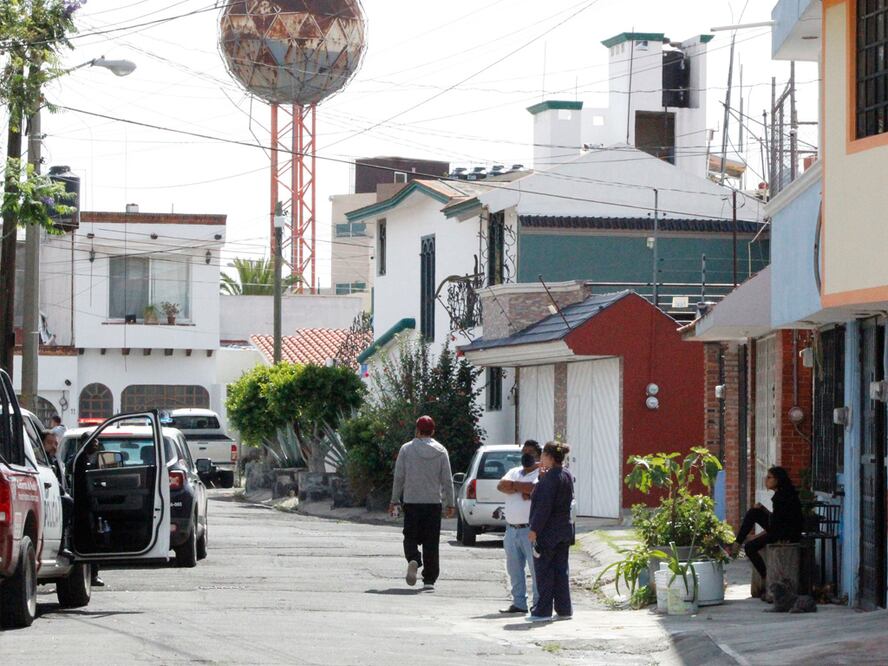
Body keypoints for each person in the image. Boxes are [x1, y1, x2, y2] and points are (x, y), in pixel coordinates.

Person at [389, 416, 456, 591]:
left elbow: (399, 477)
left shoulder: (406, 450)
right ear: (432, 431)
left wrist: (394, 500)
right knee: (431, 542)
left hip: (411, 502)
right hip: (433, 503)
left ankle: (413, 558)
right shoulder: (441, 451)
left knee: (410, 536)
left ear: (417, 431)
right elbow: (447, 480)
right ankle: (429, 580)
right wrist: (451, 503)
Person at [732, 466, 803, 590]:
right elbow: (776, 521)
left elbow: (776, 528)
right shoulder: (783, 493)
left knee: (750, 547)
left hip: (786, 535)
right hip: (781, 529)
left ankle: (766, 577)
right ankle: (738, 542)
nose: (766, 480)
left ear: (778, 480)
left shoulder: (782, 497)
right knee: (754, 511)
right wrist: (763, 510)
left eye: (769, 477)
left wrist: (756, 537)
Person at [527, 442, 574, 622]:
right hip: (564, 530)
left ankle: (543, 610)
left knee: (545, 570)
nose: (540, 459)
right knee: (561, 571)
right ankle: (564, 608)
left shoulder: (549, 479)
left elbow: (543, 507)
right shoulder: (566, 474)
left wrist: (534, 530)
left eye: (543, 456)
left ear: (549, 457)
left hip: (548, 532)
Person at [496, 440, 541, 614]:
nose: (526, 456)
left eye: (530, 452)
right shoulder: (514, 471)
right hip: (511, 529)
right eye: (524, 452)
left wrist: (514, 487)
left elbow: (534, 488)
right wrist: (520, 489)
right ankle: (519, 603)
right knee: (514, 569)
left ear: (538, 455)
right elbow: (501, 485)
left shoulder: (540, 473)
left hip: (530, 530)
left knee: (535, 569)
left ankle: (538, 603)